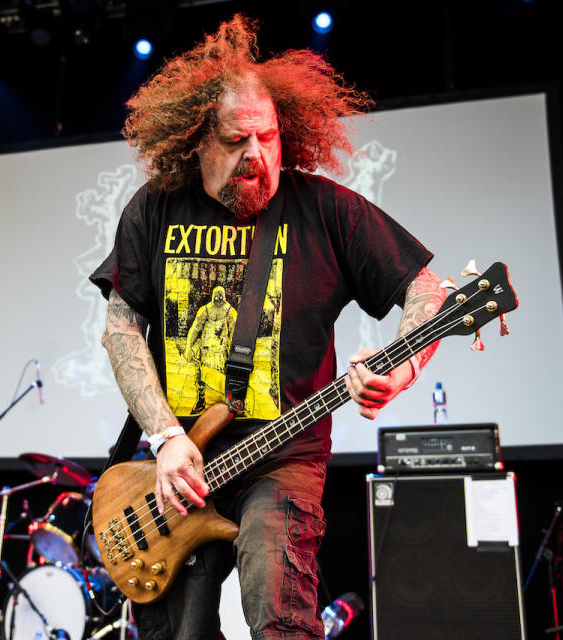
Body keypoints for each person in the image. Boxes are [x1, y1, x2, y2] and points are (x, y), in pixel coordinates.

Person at [91, 15, 446, 639]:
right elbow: (121, 327)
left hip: (281, 459)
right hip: (180, 463)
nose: (257, 156)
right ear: (197, 138)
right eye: (236, 140)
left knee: (278, 608)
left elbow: (426, 289)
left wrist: (405, 365)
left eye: (269, 137)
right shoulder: (154, 208)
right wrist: (167, 436)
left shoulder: (326, 210)